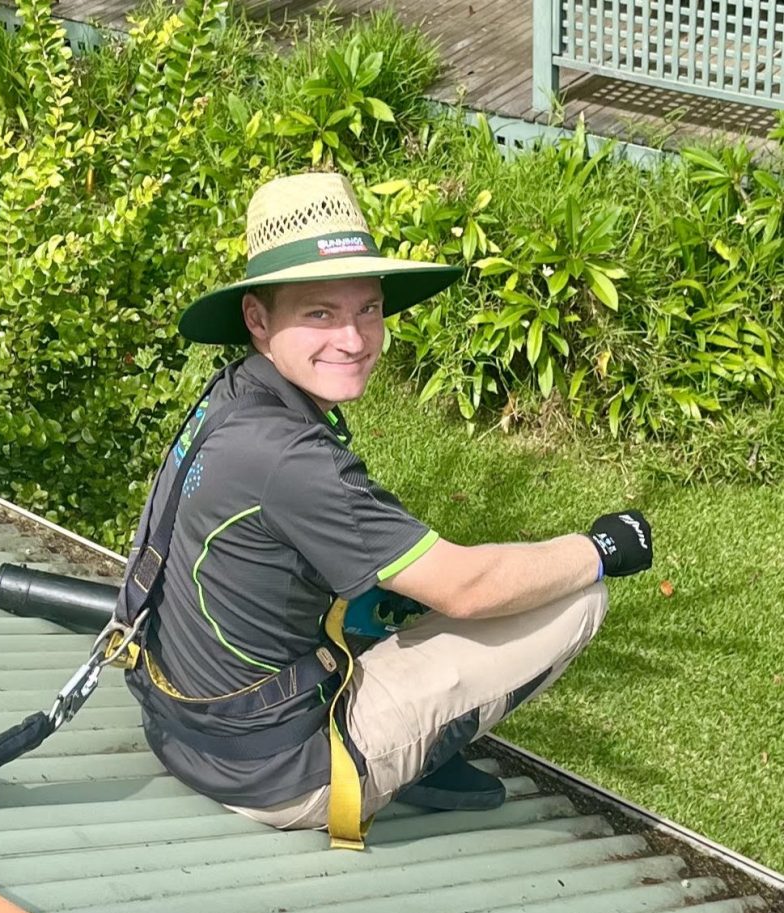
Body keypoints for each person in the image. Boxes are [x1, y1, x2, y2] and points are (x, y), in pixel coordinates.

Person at [116, 172, 652, 848]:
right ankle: (407, 759)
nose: (354, 338)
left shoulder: (233, 398)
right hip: (282, 774)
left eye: (366, 309)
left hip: (183, 731)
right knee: (576, 599)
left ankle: (403, 732)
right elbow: (467, 587)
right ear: (257, 319)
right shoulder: (291, 458)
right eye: (319, 313)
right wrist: (603, 547)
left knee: (391, 591)